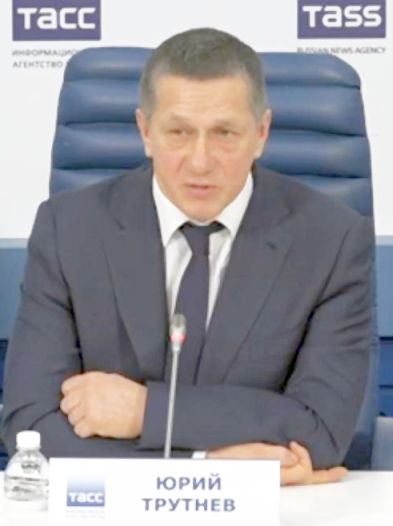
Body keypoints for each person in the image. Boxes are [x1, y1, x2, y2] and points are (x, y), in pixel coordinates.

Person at [2, 28, 372, 486]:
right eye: (178, 132)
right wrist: (205, 467)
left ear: (261, 133)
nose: (200, 161)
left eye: (224, 133)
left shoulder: (332, 240)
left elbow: (320, 430)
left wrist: (144, 411)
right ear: (145, 131)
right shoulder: (68, 228)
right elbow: (31, 427)